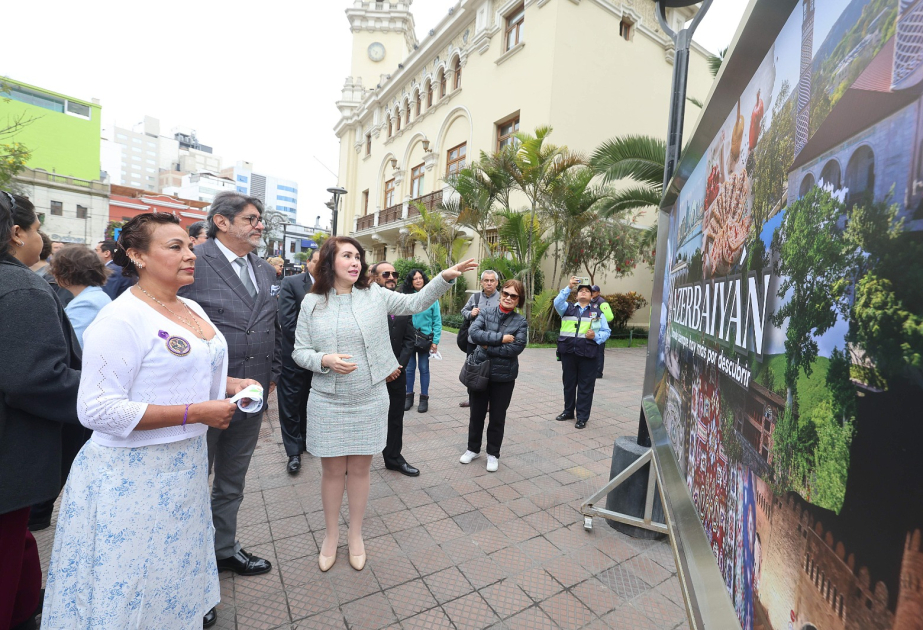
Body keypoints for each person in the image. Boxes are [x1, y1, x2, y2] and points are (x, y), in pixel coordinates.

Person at [43, 212, 258, 629]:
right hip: (130, 478)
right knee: (129, 587)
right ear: (137, 256)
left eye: (189, 246)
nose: (190, 254)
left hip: (184, 469)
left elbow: (183, 369)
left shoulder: (190, 305)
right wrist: (195, 412)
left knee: (170, 580)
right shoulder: (121, 318)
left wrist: (231, 384)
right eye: (175, 247)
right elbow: (97, 409)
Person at [293, 236, 475, 572]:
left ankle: (355, 535)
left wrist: (444, 278)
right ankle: (331, 536)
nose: (355, 262)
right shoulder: (312, 303)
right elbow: (299, 352)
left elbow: (415, 302)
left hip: (369, 397)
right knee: (332, 472)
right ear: (330, 261)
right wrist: (324, 360)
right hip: (328, 401)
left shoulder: (374, 294)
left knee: (360, 470)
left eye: (358, 256)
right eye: (347, 256)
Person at [178, 191, 281, 577]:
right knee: (190, 482)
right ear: (221, 222)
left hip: (251, 397)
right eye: (251, 219)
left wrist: (274, 375)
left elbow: (273, 324)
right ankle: (187, 563)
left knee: (232, 481)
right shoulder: (193, 260)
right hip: (203, 397)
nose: (260, 226)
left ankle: (223, 549)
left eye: (259, 219)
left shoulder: (265, 270)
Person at [0, 192, 82, 630]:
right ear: (17, 233)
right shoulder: (21, 287)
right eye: (36, 228)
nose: (41, 238)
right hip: (10, 459)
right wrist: (105, 391)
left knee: (20, 548)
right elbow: (36, 378)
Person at [459, 279, 528, 473]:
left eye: (513, 295)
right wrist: (501, 339)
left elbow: (515, 348)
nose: (508, 298)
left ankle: (493, 454)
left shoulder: (520, 322)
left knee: (497, 417)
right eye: (505, 293)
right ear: (501, 294)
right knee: (476, 414)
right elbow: (474, 333)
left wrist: (488, 346)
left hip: (504, 376)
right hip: (480, 372)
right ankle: (473, 449)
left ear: (519, 300)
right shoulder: (486, 312)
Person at [370, 261, 419, 477]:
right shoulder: (365, 304)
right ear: (374, 278)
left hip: (397, 373)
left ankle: (393, 458)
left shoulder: (401, 302)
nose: (391, 277)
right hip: (372, 375)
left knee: (395, 418)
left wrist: (398, 366)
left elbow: (409, 339)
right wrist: (384, 368)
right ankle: (353, 461)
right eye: (386, 274)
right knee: (366, 418)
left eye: (394, 274)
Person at [277, 247, 319, 474]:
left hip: (321, 360)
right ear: (308, 263)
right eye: (317, 261)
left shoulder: (333, 285)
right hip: (294, 355)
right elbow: (287, 322)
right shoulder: (291, 283)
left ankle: (306, 439)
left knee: (310, 401)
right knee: (291, 404)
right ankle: (293, 452)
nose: (321, 266)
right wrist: (311, 348)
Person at [554, 277, 611, 429]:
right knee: (569, 384)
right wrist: (569, 286)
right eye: (581, 291)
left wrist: (596, 336)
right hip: (568, 353)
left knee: (586, 387)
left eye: (587, 291)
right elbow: (557, 302)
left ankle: (582, 417)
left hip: (588, 355)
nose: (584, 292)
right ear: (576, 295)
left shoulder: (597, 313)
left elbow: (606, 331)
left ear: (592, 296)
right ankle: (568, 412)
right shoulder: (566, 308)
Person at [51, 245, 112, 348]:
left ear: (67, 271)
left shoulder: (87, 303)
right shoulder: (94, 296)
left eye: (55, 268)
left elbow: (73, 345)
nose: (53, 273)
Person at [458, 270, 501, 407]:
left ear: (497, 283)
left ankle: (489, 402)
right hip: (473, 342)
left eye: (492, 280)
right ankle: (472, 399)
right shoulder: (475, 297)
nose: (489, 283)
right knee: (472, 370)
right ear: (481, 282)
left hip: (492, 343)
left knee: (491, 372)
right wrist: (471, 313)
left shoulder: (502, 298)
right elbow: (463, 311)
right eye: (486, 280)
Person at [402, 269, 442, 413]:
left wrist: (435, 341)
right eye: (415, 278)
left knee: (424, 368)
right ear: (411, 282)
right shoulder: (406, 297)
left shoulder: (432, 298)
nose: (418, 280)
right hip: (409, 339)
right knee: (409, 369)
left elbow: (437, 321)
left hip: (425, 340)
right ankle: (408, 397)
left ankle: (424, 399)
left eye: (420, 278)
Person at [32, 230, 73, 307]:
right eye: (56, 247)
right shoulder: (18, 274)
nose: (58, 250)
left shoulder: (59, 277)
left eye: (60, 248)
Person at [590, 285, 614, 378]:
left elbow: (609, 317)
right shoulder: (591, 301)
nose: (592, 293)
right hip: (592, 331)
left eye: (594, 291)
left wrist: (600, 320)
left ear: (598, 292)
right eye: (591, 291)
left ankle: (598, 372)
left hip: (599, 330)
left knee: (599, 352)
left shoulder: (602, 302)